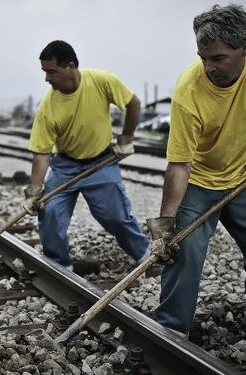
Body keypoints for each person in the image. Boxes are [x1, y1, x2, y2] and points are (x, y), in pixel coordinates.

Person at [147, 4, 246, 343]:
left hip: (245, 174)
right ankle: (172, 331)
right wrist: (165, 228)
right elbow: (179, 165)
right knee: (184, 250)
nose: (209, 67)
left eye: (218, 58)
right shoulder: (188, 92)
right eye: (203, 57)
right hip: (198, 180)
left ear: (244, 49)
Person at [24, 40, 160, 276]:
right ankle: (60, 266)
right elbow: (42, 152)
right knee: (51, 213)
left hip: (100, 163)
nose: (47, 78)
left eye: (51, 71)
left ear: (70, 67)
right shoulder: (48, 106)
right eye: (45, 72)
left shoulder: (101, 80)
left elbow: (133, 104)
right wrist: (35, 191)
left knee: (116, 217)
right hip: (65, 166)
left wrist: (126, 139)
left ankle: (147, 258)